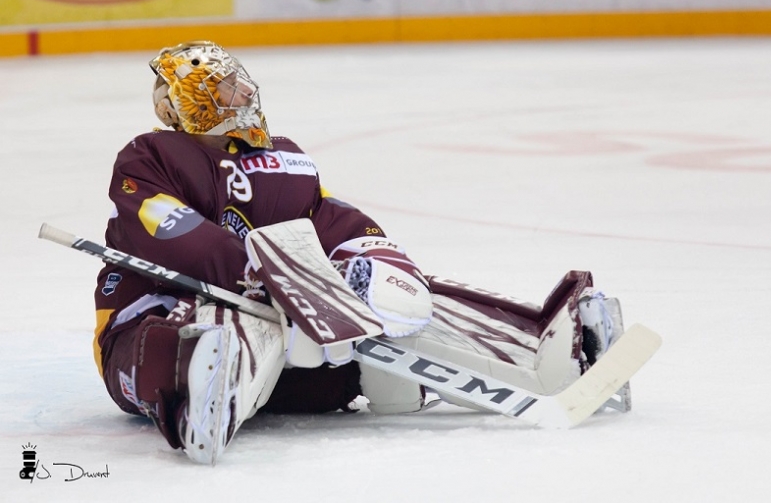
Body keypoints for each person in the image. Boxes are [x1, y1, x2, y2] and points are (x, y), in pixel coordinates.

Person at [93, 41, 626, 465]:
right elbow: (167, 227)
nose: (240, 95)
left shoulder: (285, 158)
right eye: (221, 88)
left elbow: (330, 219)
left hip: (299, 338)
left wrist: (380, 264)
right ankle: (200, 385)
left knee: (400, 311)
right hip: (151, 318)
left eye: (238, 83)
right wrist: (269, 279)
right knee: (218, 322)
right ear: (183, 104)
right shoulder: (151, 156)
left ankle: (552, 351)